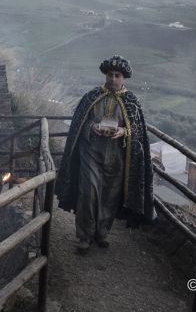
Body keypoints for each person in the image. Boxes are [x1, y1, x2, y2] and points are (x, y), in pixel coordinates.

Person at [55, 55, 157, 252]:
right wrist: (91, 127)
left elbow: (138, 131)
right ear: (105, 75)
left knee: (110, 195)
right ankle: (85, 236)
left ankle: (102, 232)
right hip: (91, 152)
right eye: (110, 75)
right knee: (88, 193)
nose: (113, 79)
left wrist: (124, 131)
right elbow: (78, 123)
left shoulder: (132, 102)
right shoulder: (92, 96)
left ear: (124, 78)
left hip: (118, 157)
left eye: (117, 75)